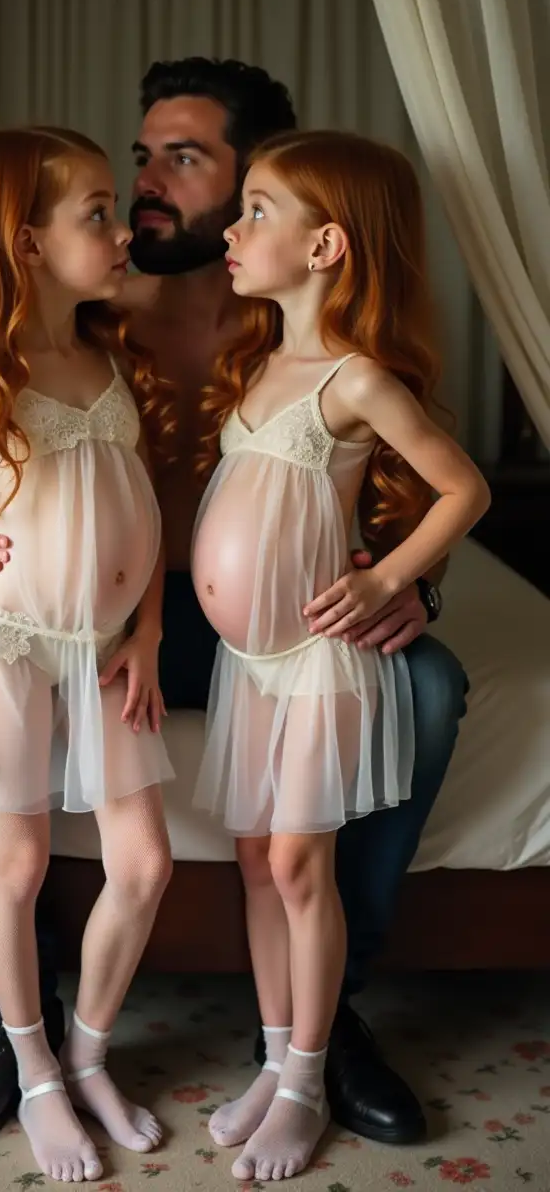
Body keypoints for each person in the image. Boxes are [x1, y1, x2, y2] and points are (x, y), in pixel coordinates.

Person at [0, 58, 469, 1159]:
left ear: (270, 191)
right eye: (138, 159)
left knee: (429, 686)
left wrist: (409, 580)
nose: (148, 185)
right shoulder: (101, 308)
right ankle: (9, 1018)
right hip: (80, 618)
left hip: (256, 619)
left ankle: (319, 1013)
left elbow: (400, 483)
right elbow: (5, 468)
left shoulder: (290, 324)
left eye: (184, 161)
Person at [188, 129, 490, 1181]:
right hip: (248, 665)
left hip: (315, 657)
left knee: (295, 866)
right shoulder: (261, 360)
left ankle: (310, 1078)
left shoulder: (355, 380)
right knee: (250, 863)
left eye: (256, 210)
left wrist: (387, 576)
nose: (231, 227)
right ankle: (275, 1060)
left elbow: (464, 489)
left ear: (325, 246)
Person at [0, 126, 176, 1182]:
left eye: (114, 208)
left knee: (142, 863)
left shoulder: (110, 353)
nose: (118, 229)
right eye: (95, 213)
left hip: (104, 649)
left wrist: (147, 632)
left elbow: (140, 513)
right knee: (13, 867)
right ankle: (35, 1075)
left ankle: (89, 1049)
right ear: (23, 243)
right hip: (9, 646)